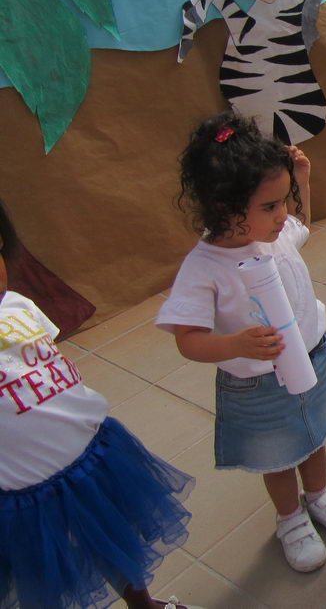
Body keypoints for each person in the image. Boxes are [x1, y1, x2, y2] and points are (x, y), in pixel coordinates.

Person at [156, 115, 326, 573]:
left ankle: (319, 494)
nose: (283, 214)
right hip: (259, 385)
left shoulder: (271, 233)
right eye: (270, 206)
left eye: (283, 201)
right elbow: (187, 340)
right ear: (226, 209)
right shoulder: (204, 267)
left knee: (314, 435)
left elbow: (301, 225)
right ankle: (290, 517)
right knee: (279, 452)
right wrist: (236, 344)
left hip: (314, 357)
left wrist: (302, 183)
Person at [0, 200, 199, 609]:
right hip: (25, 497)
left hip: (95, 458)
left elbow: (47, 364)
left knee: (115, 539)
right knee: (48, 578)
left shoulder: (17, 305)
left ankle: (143, 604)